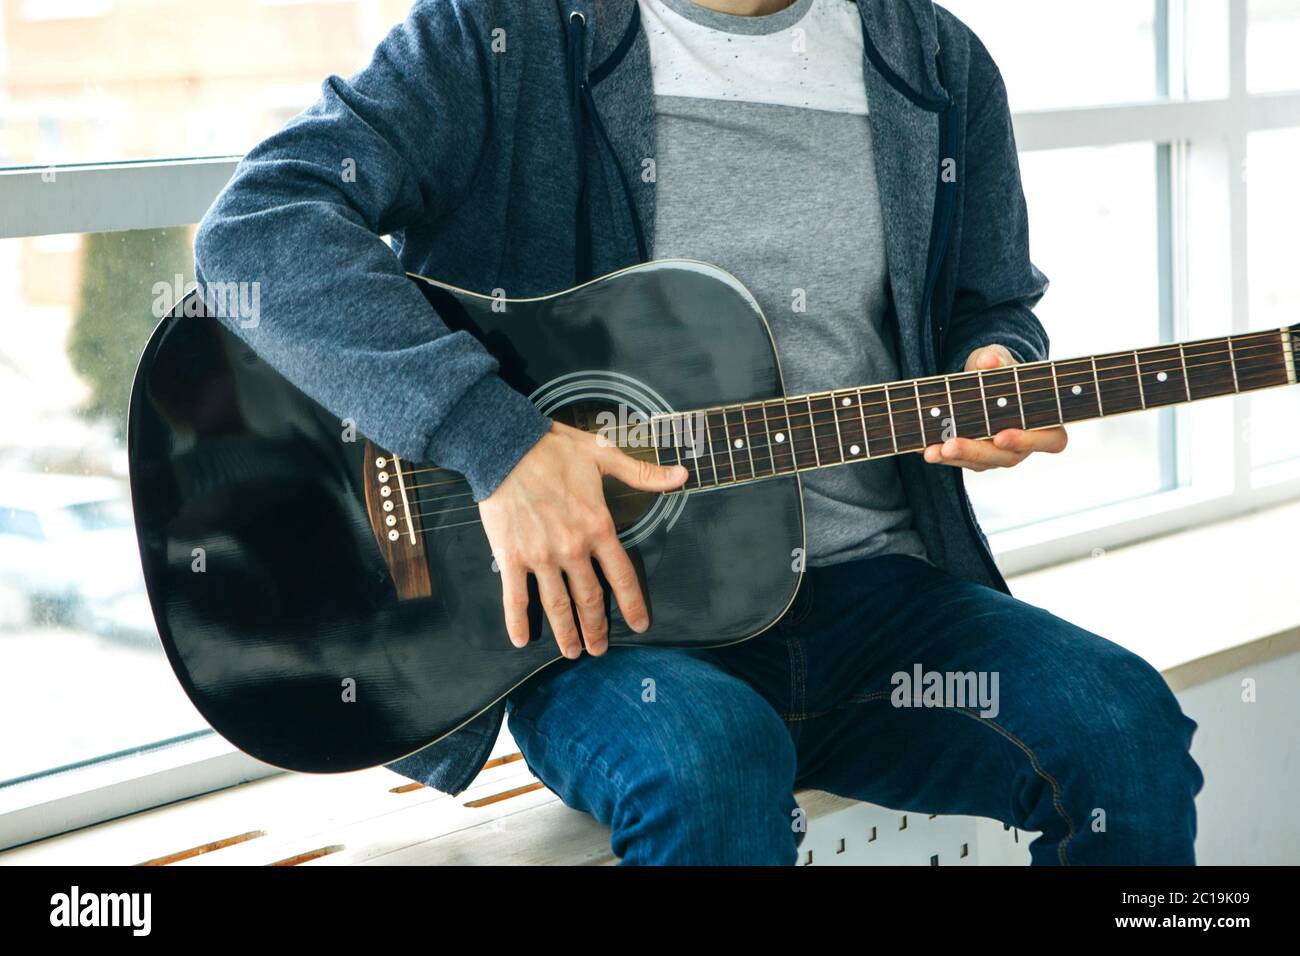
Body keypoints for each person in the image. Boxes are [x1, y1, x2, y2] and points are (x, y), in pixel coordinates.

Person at [193, 0, 1205, 864]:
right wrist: (494, 441)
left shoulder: (935, 61)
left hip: (879, 599)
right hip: (604, 626)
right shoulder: (500, 32)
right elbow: (260, 224)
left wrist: (1000, 365)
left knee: (1124, 729)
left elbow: (990, 302)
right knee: (708, 760)